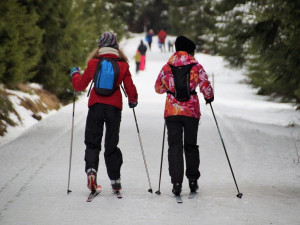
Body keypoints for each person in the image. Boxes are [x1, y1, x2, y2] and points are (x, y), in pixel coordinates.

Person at [70, 32, 138, 193]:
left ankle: (91, 171)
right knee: (111, 144)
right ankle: (115, 180)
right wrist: (133, 100)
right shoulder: (122, 65)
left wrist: (75, 74)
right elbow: (130, 89)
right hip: (114, 108)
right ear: (116, 46)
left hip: (96, 106)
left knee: (93, 142)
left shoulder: (94, 63)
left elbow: (79, 86)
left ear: (100, 46)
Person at [154, 35, 214, 196]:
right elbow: (205, 85)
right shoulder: (196, 66)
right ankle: (193, 180)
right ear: (190, 50)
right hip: (191, 111)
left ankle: (176, 183)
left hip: (172, 111)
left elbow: (158, 88)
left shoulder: (167, 66)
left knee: (174, 146)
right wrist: (209, 97)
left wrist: (169, 89)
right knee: (191, 145)